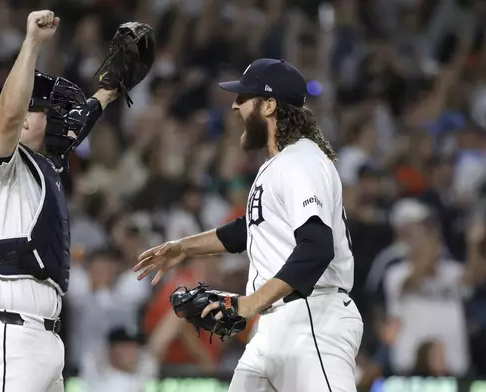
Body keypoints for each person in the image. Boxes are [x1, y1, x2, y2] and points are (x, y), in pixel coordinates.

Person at [135, 58, 363, 391]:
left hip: (312, 319)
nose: (234, 105)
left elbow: (316, 248)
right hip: (272, 325)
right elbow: (250, 229)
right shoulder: (280, 164)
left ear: (269, 105)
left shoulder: (301, 161)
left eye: (244, 97)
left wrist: (247, 304)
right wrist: (184, 247)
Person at [0, 10, 119, 392]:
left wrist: (110, 90)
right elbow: (10, 116)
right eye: (49, 110)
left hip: (43, 341)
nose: (62, 119)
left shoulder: (43, 166)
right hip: (7, 338)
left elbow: (79, 123)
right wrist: (31, 43)